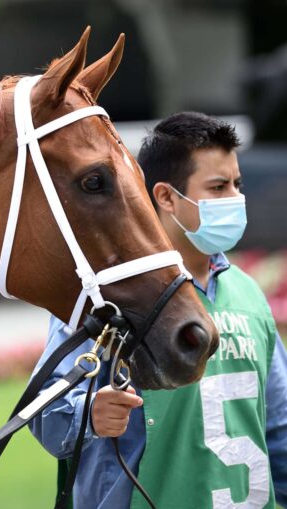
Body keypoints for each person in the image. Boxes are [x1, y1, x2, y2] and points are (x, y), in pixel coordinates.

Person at [29, 112, 287, 508]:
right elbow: (43, 410)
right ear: (166, 197)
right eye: (218, 187)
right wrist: (90, 414)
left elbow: (280, 428)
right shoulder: (107, 298)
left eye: (237, 184)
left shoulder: (248, 292)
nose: (234, 199)